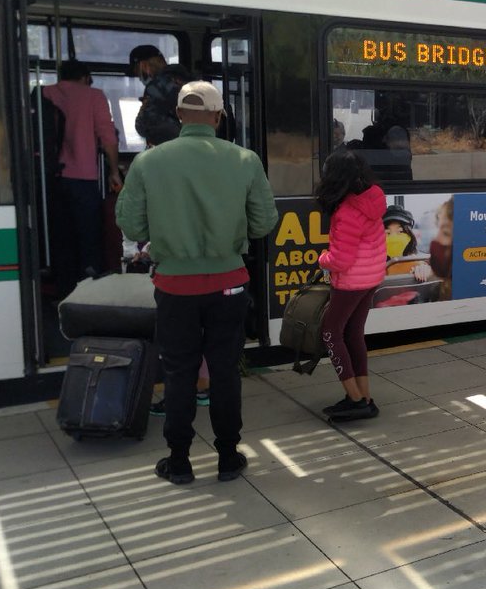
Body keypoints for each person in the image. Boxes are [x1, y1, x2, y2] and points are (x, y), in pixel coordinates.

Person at [116, 81, 277, 486]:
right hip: (230, 285)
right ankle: (227, 458)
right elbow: (263, 222)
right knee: (224, 371)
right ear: (219, 117)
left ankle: (180, 461)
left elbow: (131, 224)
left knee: (179, 372)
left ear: (179, 115)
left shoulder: (149, 162)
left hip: (174, 287)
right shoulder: (244, 160)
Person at [315, 150, 387, 422]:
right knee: (354, 331)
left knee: (331, 332)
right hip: (370, 279)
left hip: (351, 281)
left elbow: (341, 261)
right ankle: (363, 396)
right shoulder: (371, 199)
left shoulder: (346, 211)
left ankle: (356, 400)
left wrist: (323, 259)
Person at [45, 59, 122, 282]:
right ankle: (88, 283)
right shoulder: (94, 96)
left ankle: (62, 286)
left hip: (49, 177)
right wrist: (114, 170)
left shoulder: (44, 93)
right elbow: (107, 137)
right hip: (84, 177)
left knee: (60, 235)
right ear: (85, 77)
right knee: (88, 234)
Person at [130, 44, 186, 147]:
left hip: (172, 151)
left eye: (138, 72)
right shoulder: (190, 80)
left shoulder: (155, 87)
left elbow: (144, 126)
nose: (139, 78)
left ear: (143, 65)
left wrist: (144, 107)